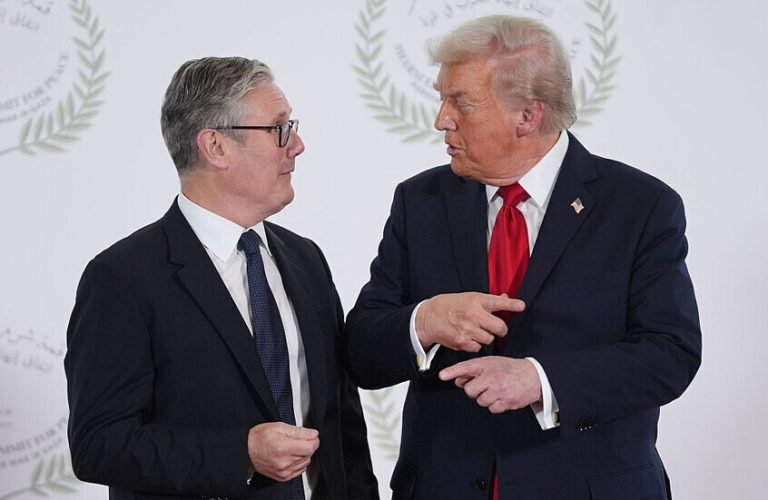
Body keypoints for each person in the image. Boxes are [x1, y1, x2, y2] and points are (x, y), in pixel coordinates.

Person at [345, 16, 701, 500]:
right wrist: (423, 322)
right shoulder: (420, 201)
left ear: (528, 116)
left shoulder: (640, 206)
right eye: (442, 98)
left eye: (461, 102)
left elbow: (670, 353)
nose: (441, 119)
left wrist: (541, 380)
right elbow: (361, 353)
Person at [65, 57, 378, 500]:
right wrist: (241, 454)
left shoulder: (305, 259)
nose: (298, 145)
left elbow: (342, 424)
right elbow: (99, 445)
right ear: (215, 146)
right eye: (279, 128)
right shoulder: (122, 277)